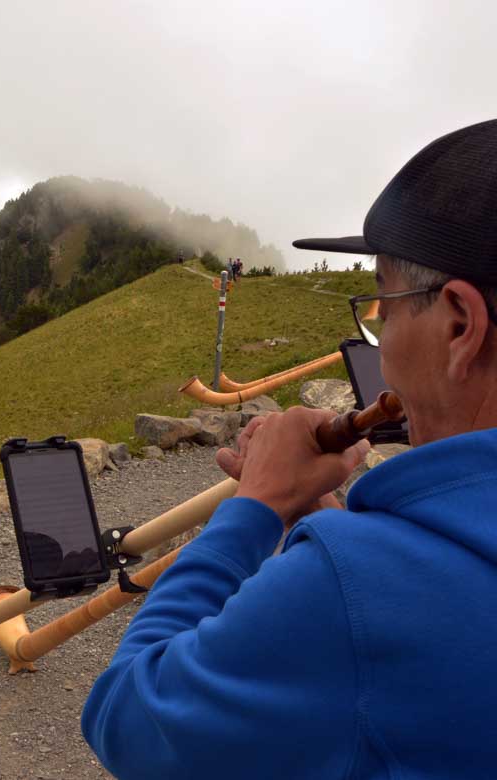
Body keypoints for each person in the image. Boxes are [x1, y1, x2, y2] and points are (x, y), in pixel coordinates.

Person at [82, 118, 497, 778]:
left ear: (459, 325)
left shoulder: (357, 590)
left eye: (383, 305)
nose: (381, 349)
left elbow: (129, 717)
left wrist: (257, 505)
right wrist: (326, 519)